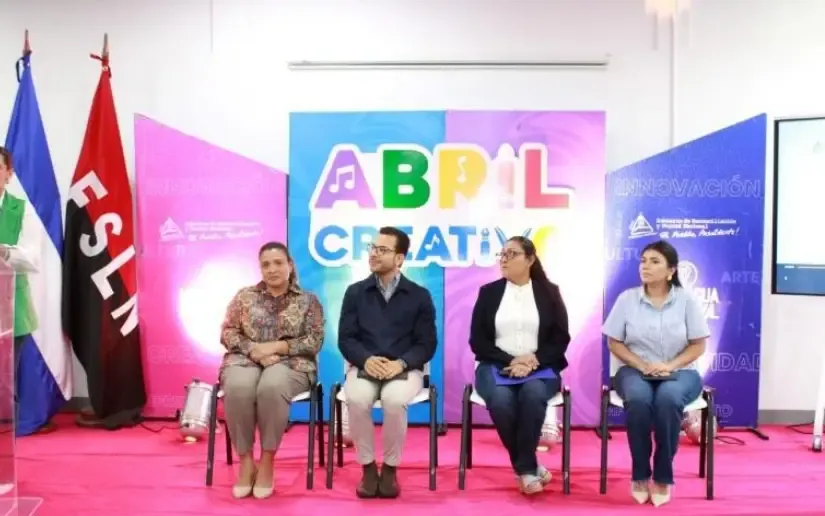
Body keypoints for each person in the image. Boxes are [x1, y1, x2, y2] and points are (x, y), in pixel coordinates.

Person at [602, 240, 709, 507]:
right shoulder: (627, 299)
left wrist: (669, 365)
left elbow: (698, 345)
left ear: (671, 270)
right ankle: (640, 474)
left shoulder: (686, 301)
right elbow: (614, 342)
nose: (645, 266)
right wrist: (641, 364)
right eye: (643, 261)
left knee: (668, 399)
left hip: (680, 370)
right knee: (639, 400)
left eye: (654, 261)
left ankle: (663, 475)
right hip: (634, 369)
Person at [219, 242, 325, 500]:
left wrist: (278, 347)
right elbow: (228, 332)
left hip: (293, 364)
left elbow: (314, 340)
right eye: (266, 264)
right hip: (245, 360)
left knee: (272, 386)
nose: (272, 269)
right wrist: (254, 350)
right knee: (238, 388)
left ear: (290, 265)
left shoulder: (308, 301)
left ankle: (267, 461)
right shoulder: (245, 296)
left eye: (278, 263)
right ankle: (246, 462)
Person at [338, 226, 437, 499]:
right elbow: (346, 339)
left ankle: (391, 468)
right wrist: (366, 360)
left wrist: (401, 363)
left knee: (394, 401)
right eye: (373, 248)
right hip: (364, 366)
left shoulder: (419, 295)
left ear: (399, 258)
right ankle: (368, 468)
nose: (374, 254)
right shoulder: (355, 292)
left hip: (404, 369)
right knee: (357, 399)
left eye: (383, 250)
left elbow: (427, 344)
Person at [469, 236, 570, 495]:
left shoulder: (549, 292)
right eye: (502, 254)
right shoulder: (489, 293)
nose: (504, 259)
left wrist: (533, 360)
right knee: (500, 400)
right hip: (495, 365)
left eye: (512, 254)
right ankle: (528, 467)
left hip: (541, 366)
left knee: (533, 394)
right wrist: (511, 360)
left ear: (530, 259)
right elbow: (478, 341)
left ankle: (525, 469)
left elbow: (560, 338)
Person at [0, 147, 51, 434]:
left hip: (10, 308)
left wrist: (5, 252)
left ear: (9, 174)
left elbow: (32, 259)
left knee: (5, 382)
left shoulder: (23, 210)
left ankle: (6, 441)